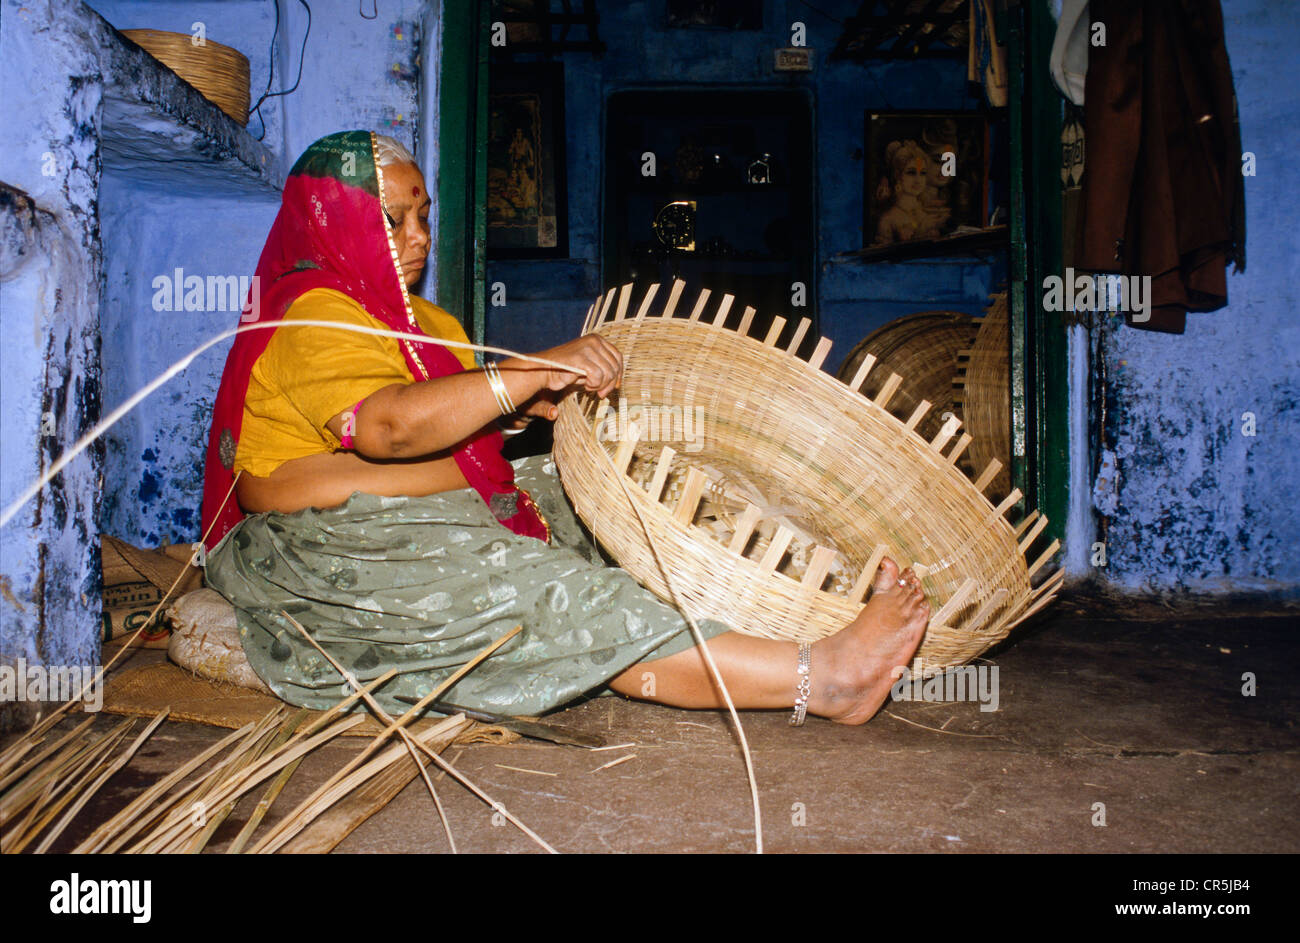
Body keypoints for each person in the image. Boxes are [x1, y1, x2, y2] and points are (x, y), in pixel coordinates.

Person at [197, 130, 928, 726]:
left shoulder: (427, 323)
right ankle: (821, 679)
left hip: (411, 500)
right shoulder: (312, 316)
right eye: (394, 219)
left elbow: (448, 420)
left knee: (606, 501)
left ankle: (793, 609)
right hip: (323, 540)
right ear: (335, 221)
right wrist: (526, 372)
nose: (417, 237)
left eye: (424, 215)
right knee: (546, 596)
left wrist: (512, 413)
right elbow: (387, 427)